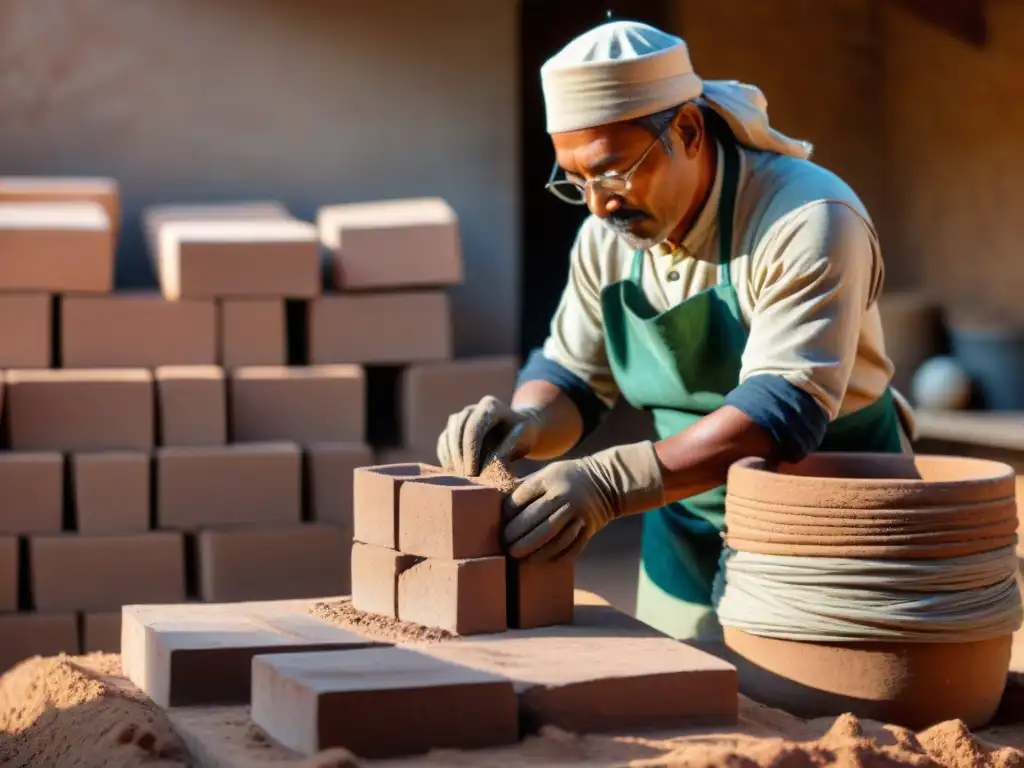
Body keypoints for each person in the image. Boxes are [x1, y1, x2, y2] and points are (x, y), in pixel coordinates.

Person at [435, 19, 916, 642]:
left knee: (834, 711)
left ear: (687, 131)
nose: (597, 205)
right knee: (690, 707)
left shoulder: (806, 218)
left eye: (611, 174)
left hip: (830, 512)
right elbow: (574, 379)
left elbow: (781, 415)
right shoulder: (604, 240)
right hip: (684, 515)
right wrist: (524, 422)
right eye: (574, 182)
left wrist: (608, 484)